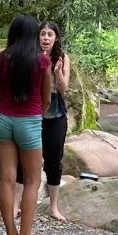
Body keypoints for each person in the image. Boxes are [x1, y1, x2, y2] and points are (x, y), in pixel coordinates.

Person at [0, 14, 52, 235]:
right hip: (29, 122)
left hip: (3, 121)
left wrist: (8, 109)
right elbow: (46, 97)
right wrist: (36, 113)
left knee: (6, 177)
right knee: (32, 180)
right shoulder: (41, 62)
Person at [39, 21, 70, 221]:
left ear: (56, 38)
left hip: (56, 113)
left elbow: (63, 88)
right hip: (34, 113)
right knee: (27, 160)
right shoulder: (32, 56)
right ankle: (18, 205)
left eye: (50, 34)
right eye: (43, 34)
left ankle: (53, 207)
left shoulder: (63, 57)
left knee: (54, 160)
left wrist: (57, 71)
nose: (46, 38)